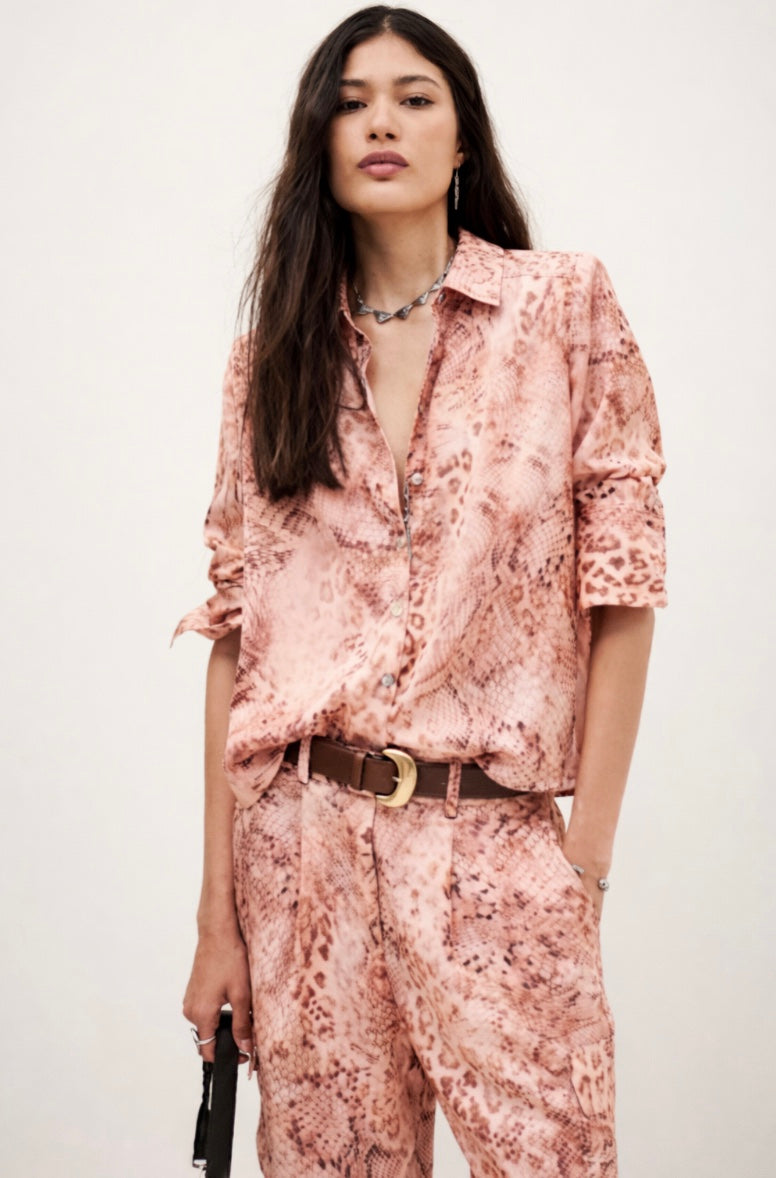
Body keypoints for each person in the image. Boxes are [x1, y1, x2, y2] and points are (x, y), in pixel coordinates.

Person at [173, 6, 667, 1175]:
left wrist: (579, 858)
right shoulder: (271, 360)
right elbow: (238, 638)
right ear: (318, 146)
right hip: (302, 854)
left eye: (412, 96)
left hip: (495, 846)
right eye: (348, 101)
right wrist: (216, 919)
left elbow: (623, 585)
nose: (379, 121)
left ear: (461, 143)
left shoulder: (559, 309)